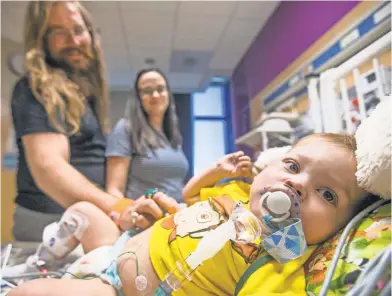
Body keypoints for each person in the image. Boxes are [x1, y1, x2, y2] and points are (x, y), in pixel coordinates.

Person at [8, 133, 370, 296]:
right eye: (292, 165)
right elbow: (188, 196)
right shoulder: (235, 193)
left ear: (338, 232)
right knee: (83, 210)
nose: (298, 184)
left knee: (27, 294)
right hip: (118, 246)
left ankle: (41, 278)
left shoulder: (282, 266)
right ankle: (43, 259)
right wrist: (216, 171)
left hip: (116, 288)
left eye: (327, 193)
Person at [9, 1, 163, 242]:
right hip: (50, 227)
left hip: (86, 220)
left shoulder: (85, 96)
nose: (74, 40)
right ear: (41, 39)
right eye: (59, 31)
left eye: (79, 30)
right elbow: (49, 169)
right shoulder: (34, 89)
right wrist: (118, 206)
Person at [105, 68, 189, 203]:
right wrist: (128, 216)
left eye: (160, 89)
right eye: (147, 91)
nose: (155, 95)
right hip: (144, 218)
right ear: (138, 98)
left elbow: (174, 184)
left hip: (177, 215)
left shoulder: (172, 135)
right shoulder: (126, 128)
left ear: (168, 94)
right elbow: (114, 190)